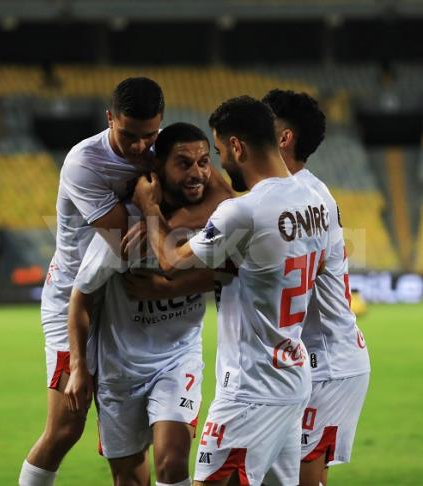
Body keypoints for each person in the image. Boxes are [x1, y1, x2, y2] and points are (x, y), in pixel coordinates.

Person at [19, 79, 230, 486]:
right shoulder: (85, 163)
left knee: (168, 459)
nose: (139, 148)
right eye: (129, 136)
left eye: (149, 136)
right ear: (109, 119)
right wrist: (159, 216)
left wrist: (166, 218)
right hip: (76, 296)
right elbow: (129, 245)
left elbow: (223, 200)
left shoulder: (167, 152)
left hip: (126, 302)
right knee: (66, 426)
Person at [132, 96, 331, 486]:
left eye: (219, 151)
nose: (219, 165)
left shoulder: (243, 213)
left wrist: (149, 207)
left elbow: (171, 260)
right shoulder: (315, 201)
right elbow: (316, 265)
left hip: (248, 390)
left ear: (237, 146)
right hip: (292, 380)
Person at [67, 122, 225, 486]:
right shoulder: (123, 230)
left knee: (171, 464)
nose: (198, 173)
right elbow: (81, 299)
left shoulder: (213, 227)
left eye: (204, 162)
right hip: (119, 370)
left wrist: (164, 288)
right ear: (158, 170)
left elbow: (231, 275)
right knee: (130, 477)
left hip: (176, 360)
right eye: (183, 164)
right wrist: (78, 367)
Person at [262, 89, 370, 486]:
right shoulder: (300, 191)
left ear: (284, 138)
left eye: (262, 124)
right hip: (316, 360)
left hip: (328, 363)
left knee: (303, 479)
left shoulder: (302, 198)